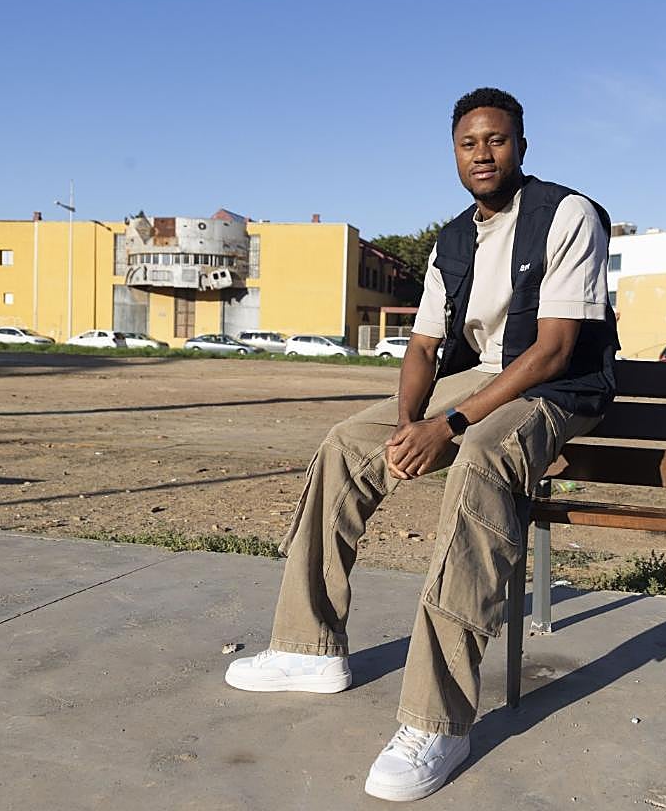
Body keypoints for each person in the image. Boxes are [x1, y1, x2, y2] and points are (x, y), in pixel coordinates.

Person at [225, 87, 617, 802]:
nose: (483, 153)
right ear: (456, 153)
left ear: (521, 146)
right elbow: (425, 345)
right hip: (480, 381)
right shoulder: (455, 238)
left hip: (555, 390)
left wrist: (452, 426)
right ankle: (307, 647)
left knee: (480, 461)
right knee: (347, 442)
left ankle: (438, 720)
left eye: (496, 140)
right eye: (469, 143)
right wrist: (411, 422)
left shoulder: (567, 215)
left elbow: (556, 350)